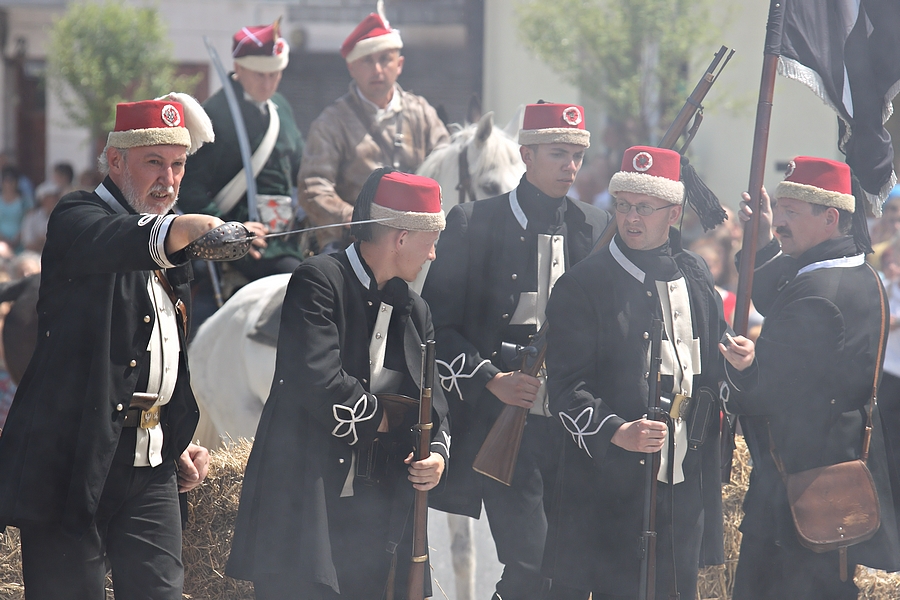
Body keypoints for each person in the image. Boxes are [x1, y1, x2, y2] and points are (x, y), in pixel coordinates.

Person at [0, 95, 223, 600]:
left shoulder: (170, 238)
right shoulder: (77, 216)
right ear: (116, 160)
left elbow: (163, 352)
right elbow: (122, 240)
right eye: (154, 163)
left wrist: (174, 434)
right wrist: (187, 229)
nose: (168, 179)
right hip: (70, 461)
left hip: (149, 465)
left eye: (178, 165)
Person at [227, 169, 451, 600]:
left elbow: (434, 402)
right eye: (430, 241)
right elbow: (318, 379)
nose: (433, 256)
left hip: (374, 513)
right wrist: (388, 418)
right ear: (401, 237)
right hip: (304, 503)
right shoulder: (317, 279)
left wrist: (436, 454)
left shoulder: (417, 309)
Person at [421, 102, 611, 600]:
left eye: (576, 155)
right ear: (526, 153)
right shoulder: (472, 222)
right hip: (505, 422)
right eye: (557, 154)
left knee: (570, 576)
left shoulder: (596, 225)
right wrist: (492, 378)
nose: (570, 166)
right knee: (529, 568)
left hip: (576, 427)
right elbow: (433, 325)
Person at [541, 146, 727, 599]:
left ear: (675, 212)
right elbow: (565, 389)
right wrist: (616, 431)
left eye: (645, 207)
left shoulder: (695, 274)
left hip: (685, 473)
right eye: (623, 205)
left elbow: (711, 367)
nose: (631, 218)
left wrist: (739, 361)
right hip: (613, 484)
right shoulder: (583, 285)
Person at [721, 156, 900, 599]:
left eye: (791, 214)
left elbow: (768, 395)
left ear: (830, 218)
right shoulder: (855, 273)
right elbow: (776, 291)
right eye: (779, 210)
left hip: (798, 488)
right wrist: (762, 237)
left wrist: (742, 370)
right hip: (831, 474)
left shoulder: (820, 294)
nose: (780, 222)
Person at [298, 5, 450, 255]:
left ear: (399, 64)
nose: (377, 70)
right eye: (367, 61)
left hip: (416, 240)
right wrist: (350, 215)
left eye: (385, 59)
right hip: (353, 241)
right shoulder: (331, 122)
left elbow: (446, 167)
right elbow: (312, 186)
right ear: (351, 67)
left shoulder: (422, 113)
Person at [180, 20, 304, 286]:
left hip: (287, 237)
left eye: (275, 74)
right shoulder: (214, 114)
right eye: (260, 74)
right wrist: (229, 229)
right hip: (242, 244)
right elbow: (189, 188)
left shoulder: (280, 106)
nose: (268, 82)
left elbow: (300, 170)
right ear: (238, 68)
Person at [20, 180, 62, 253]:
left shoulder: (63, 217)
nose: (54, 201)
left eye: (55, 198)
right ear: (43, 200)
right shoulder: (32, 217)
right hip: (34, 256)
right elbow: (27, 243)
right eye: (50, 198)